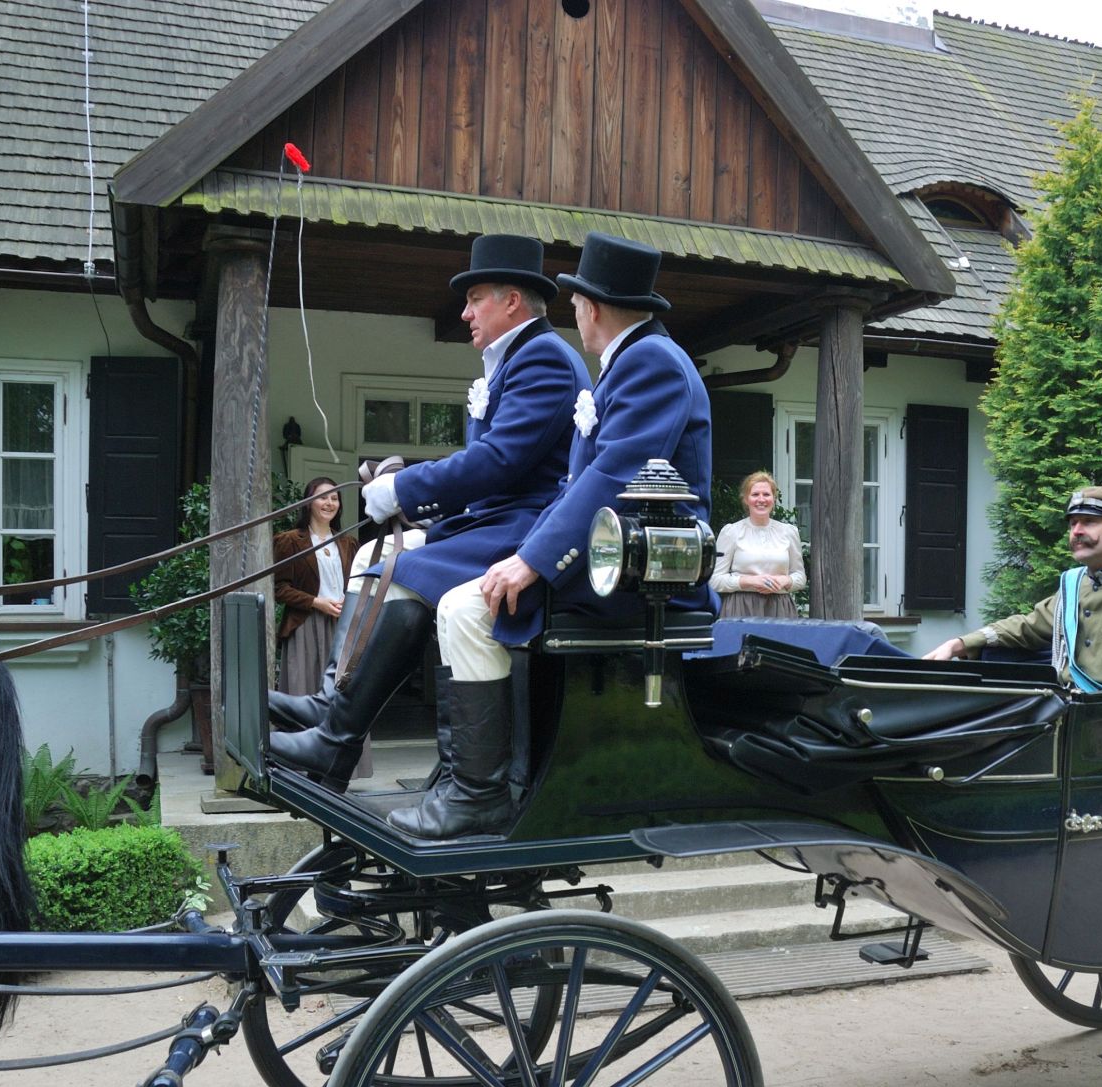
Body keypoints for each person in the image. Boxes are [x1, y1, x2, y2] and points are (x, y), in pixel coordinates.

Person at [374, 232, 713, 840]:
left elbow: (610, 477)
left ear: (591, 307)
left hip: (641, 575)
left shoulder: (650, 363)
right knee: (458, 594)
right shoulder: (633, 363)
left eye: (577, 302)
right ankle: (464, 779)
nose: (575, 314)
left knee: (465, 608)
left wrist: (529, 562)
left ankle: (479, 792)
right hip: (610, 558)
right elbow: (576, 484)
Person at [268, 233, 589, 791]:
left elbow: (498, 463)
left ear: (511, 300)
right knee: (374, 551)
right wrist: (404, 488)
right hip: (500, 521)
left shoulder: (543, 358)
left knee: (399, 568)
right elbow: (490, 464)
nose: (464, 313)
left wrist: (403, 490)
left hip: (529, 526)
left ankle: (335, 738)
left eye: (475, 299)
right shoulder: (519, 357)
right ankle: (332, 706)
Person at [922, 486, 1102, 689]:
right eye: (1073, 524)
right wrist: (958, 644)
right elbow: (1028, 626)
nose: (1077, 532)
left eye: (1089, 522)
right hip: (1067, 712)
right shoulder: (1075, 583)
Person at [270, 477, 371, 776]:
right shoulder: (289, 541)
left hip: (343, 625)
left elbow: (360, 585)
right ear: (308, 502)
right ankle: (296, 764)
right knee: (304, 690)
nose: (329, 503)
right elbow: (279, 588)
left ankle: (342, 767)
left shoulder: (348, 543)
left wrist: (346, 604)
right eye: (322, 497)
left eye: (335, 498)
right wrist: (316, 602)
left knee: (344, 692)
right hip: (305, 625)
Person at [711, 470, 805, 619]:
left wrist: (785, 581)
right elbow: (714, 580)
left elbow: (800, 577)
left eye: (766, 494)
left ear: (774, 498)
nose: (761, 499)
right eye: (755, 494)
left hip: (779, 608)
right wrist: (749, 581)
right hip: (740, 608)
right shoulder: (731, 532)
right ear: (746, 499)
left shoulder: (789, 532)